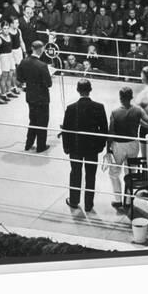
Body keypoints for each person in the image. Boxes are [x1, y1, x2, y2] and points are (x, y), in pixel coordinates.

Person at [62, 79, 108, 211]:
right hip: (92, 148)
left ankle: (74, 201)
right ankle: (89, 204)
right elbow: (104, 129)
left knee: (75, 174)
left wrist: (66, 147)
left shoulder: (71, 108)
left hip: (75, 147)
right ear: (90, 90)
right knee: (90, 175)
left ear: (78, 90)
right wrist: (101, 146)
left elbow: (66, 130)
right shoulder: (99, 107)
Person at [107, 87, 148, 208]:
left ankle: (118, 199)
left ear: (120, 98)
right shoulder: (137, 111)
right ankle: (128, 201)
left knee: (114, 173)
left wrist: (108, 148)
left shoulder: (114, 112)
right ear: (131, 97)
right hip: (133, 144)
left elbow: (111, 132)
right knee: (130, 173)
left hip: (119, 145)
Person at [16, 40, 52, 153]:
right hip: (42, 97)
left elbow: (20, 79)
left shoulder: (23, 62)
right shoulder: (42, 65)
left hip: (30, 95)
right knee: (42, 122)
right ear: (41, 50)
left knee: (33, 120)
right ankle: (41, 146)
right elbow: (49, 84)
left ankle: (28, 144)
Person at [0, 20, 17, 102]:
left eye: (7, 28)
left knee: (11, 74)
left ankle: (8, 91)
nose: (6, 30)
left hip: (10, 55)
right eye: (4, 28)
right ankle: (3, 93)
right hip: (3, 57)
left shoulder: (9, 36)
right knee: (4, 76)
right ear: (1, 29)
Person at [9, 16, 27, 93]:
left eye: (18, 22)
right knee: (13, 70)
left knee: (20, 68)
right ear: (11, 24)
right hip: (11, 52)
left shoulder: (18, 31)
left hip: (18, 50)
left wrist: (24, 51)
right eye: (16, 23)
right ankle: (13, 86)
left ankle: (21, 83)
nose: (18, 24)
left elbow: (21, 41)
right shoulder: (8, 32)